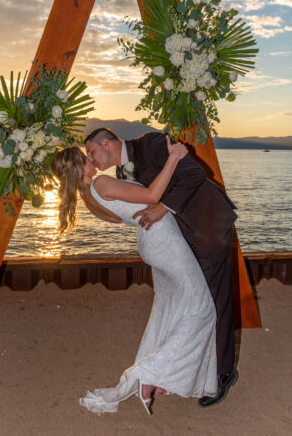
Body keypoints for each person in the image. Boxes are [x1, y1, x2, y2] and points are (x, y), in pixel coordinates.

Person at [52, 139, 218, 415]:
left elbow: (127, 213)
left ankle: (162, 376)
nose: (91, 157)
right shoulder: (100, 185)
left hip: (153, 241)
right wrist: (174, 157)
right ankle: (151, 374)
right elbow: (152, 197)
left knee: (173, 310)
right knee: (203, 309)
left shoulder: (89, 195)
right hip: (165, 242)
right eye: (86, 155)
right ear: (78, 164)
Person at [84, 128, 238, 408]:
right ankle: (188, 371)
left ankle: (223, 373)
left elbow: (193, 174)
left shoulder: (152, 143)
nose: (92, 159)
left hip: (207, 223)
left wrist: (163, 208)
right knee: (190, 302)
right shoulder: (120, 175)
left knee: (214, 300)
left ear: (105, 142)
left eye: (91, 151)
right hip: (180, 238)